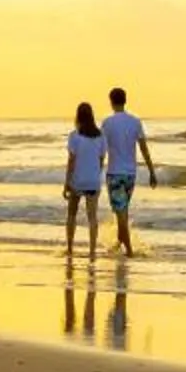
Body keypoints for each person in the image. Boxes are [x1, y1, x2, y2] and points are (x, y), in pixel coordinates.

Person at [99, 86, 157, 255]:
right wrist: (152, 171)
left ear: (111, 102)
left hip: (114, 173)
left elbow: (102, 150)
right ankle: (119, 242)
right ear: (125, 100)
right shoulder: (135, 121)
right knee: (122, 210)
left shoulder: (107, 123)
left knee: (121, 212)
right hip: (131, 174)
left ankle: (129, 250)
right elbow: (144, 148)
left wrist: (97, 169)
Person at [61, 100, 106, 262]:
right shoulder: (101, 136)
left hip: (77, 180)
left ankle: (70, 248)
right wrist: (96, 175)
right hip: (93, 181)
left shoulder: (74, 136)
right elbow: (102, 159)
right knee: (92, 217)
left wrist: (67, 182)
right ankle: (92, 251)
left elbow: (71, 161)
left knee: (71, 214)